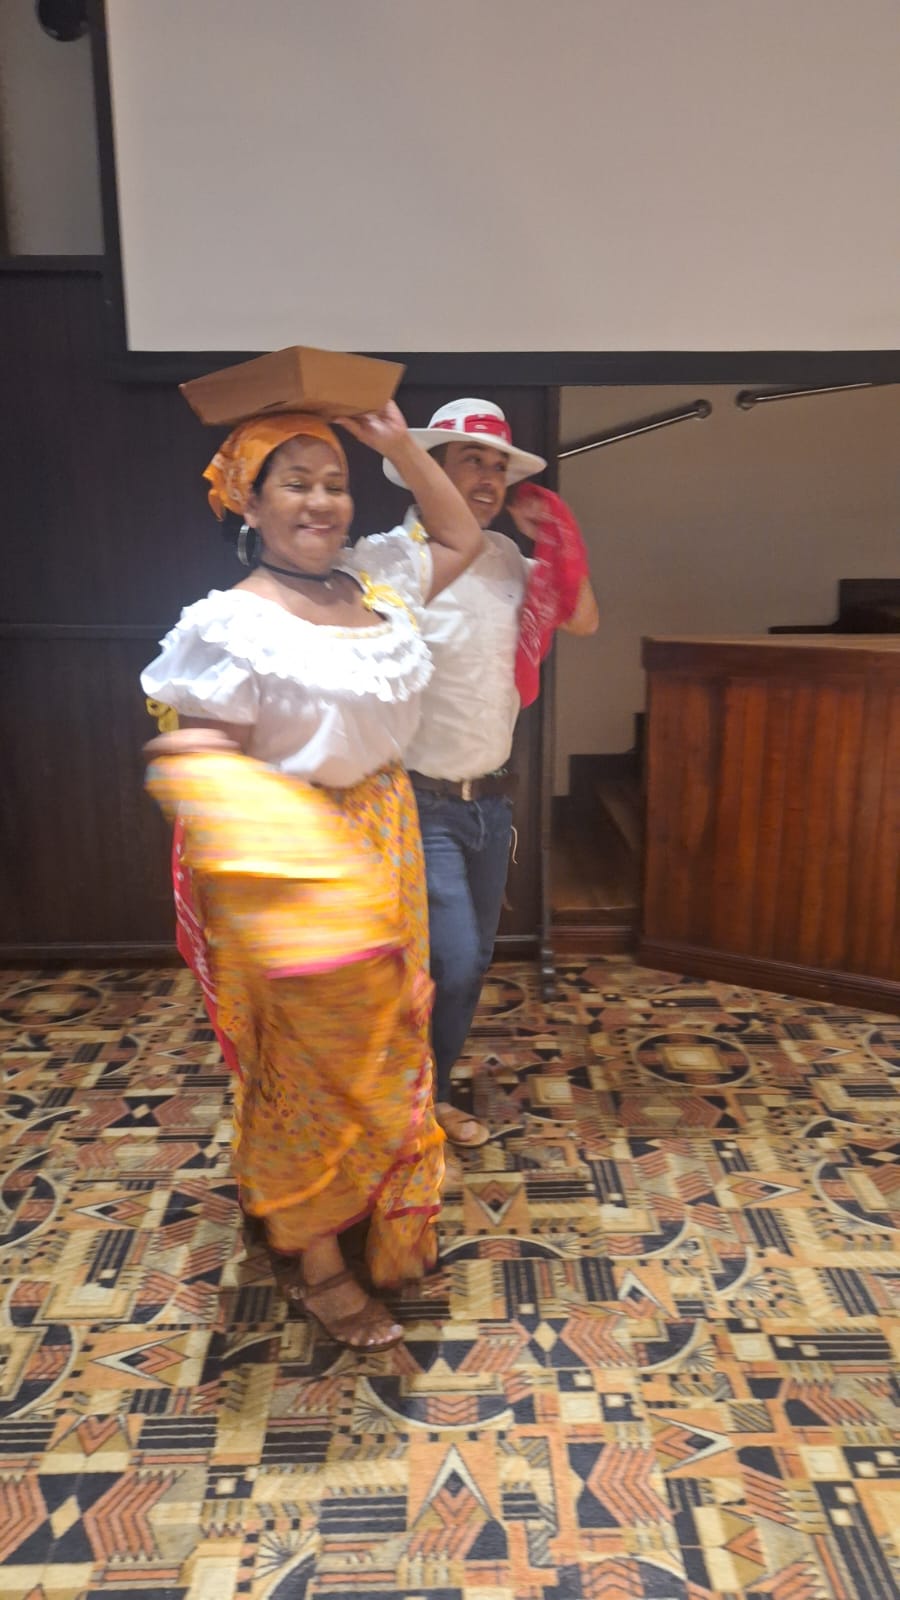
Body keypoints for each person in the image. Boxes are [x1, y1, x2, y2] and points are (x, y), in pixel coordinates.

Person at [141, 400, 482, 1352]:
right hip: (291, 860)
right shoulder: (230, 625)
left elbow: (460, 534)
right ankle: (318, 1263)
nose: (323, 501)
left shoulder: (377, 584)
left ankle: (376, 1211)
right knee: (303, 1065)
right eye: (295, 483)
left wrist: (398, 446)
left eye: (335, 483)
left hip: (386, 836)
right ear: (247, 503)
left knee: (390, 1041)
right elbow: (206, 754)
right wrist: (265, 843)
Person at [376, 399, 599, 1153]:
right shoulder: (395, 559)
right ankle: (418, 1098)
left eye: (498, 466)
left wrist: (559, 541)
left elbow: (582, 619)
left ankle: (424, 1091)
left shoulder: (506, 556)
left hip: (491, 804)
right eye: (471, 460)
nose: (488, 478)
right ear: (431, 468)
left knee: (467, 965)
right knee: (455, 958)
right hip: (418, 800)